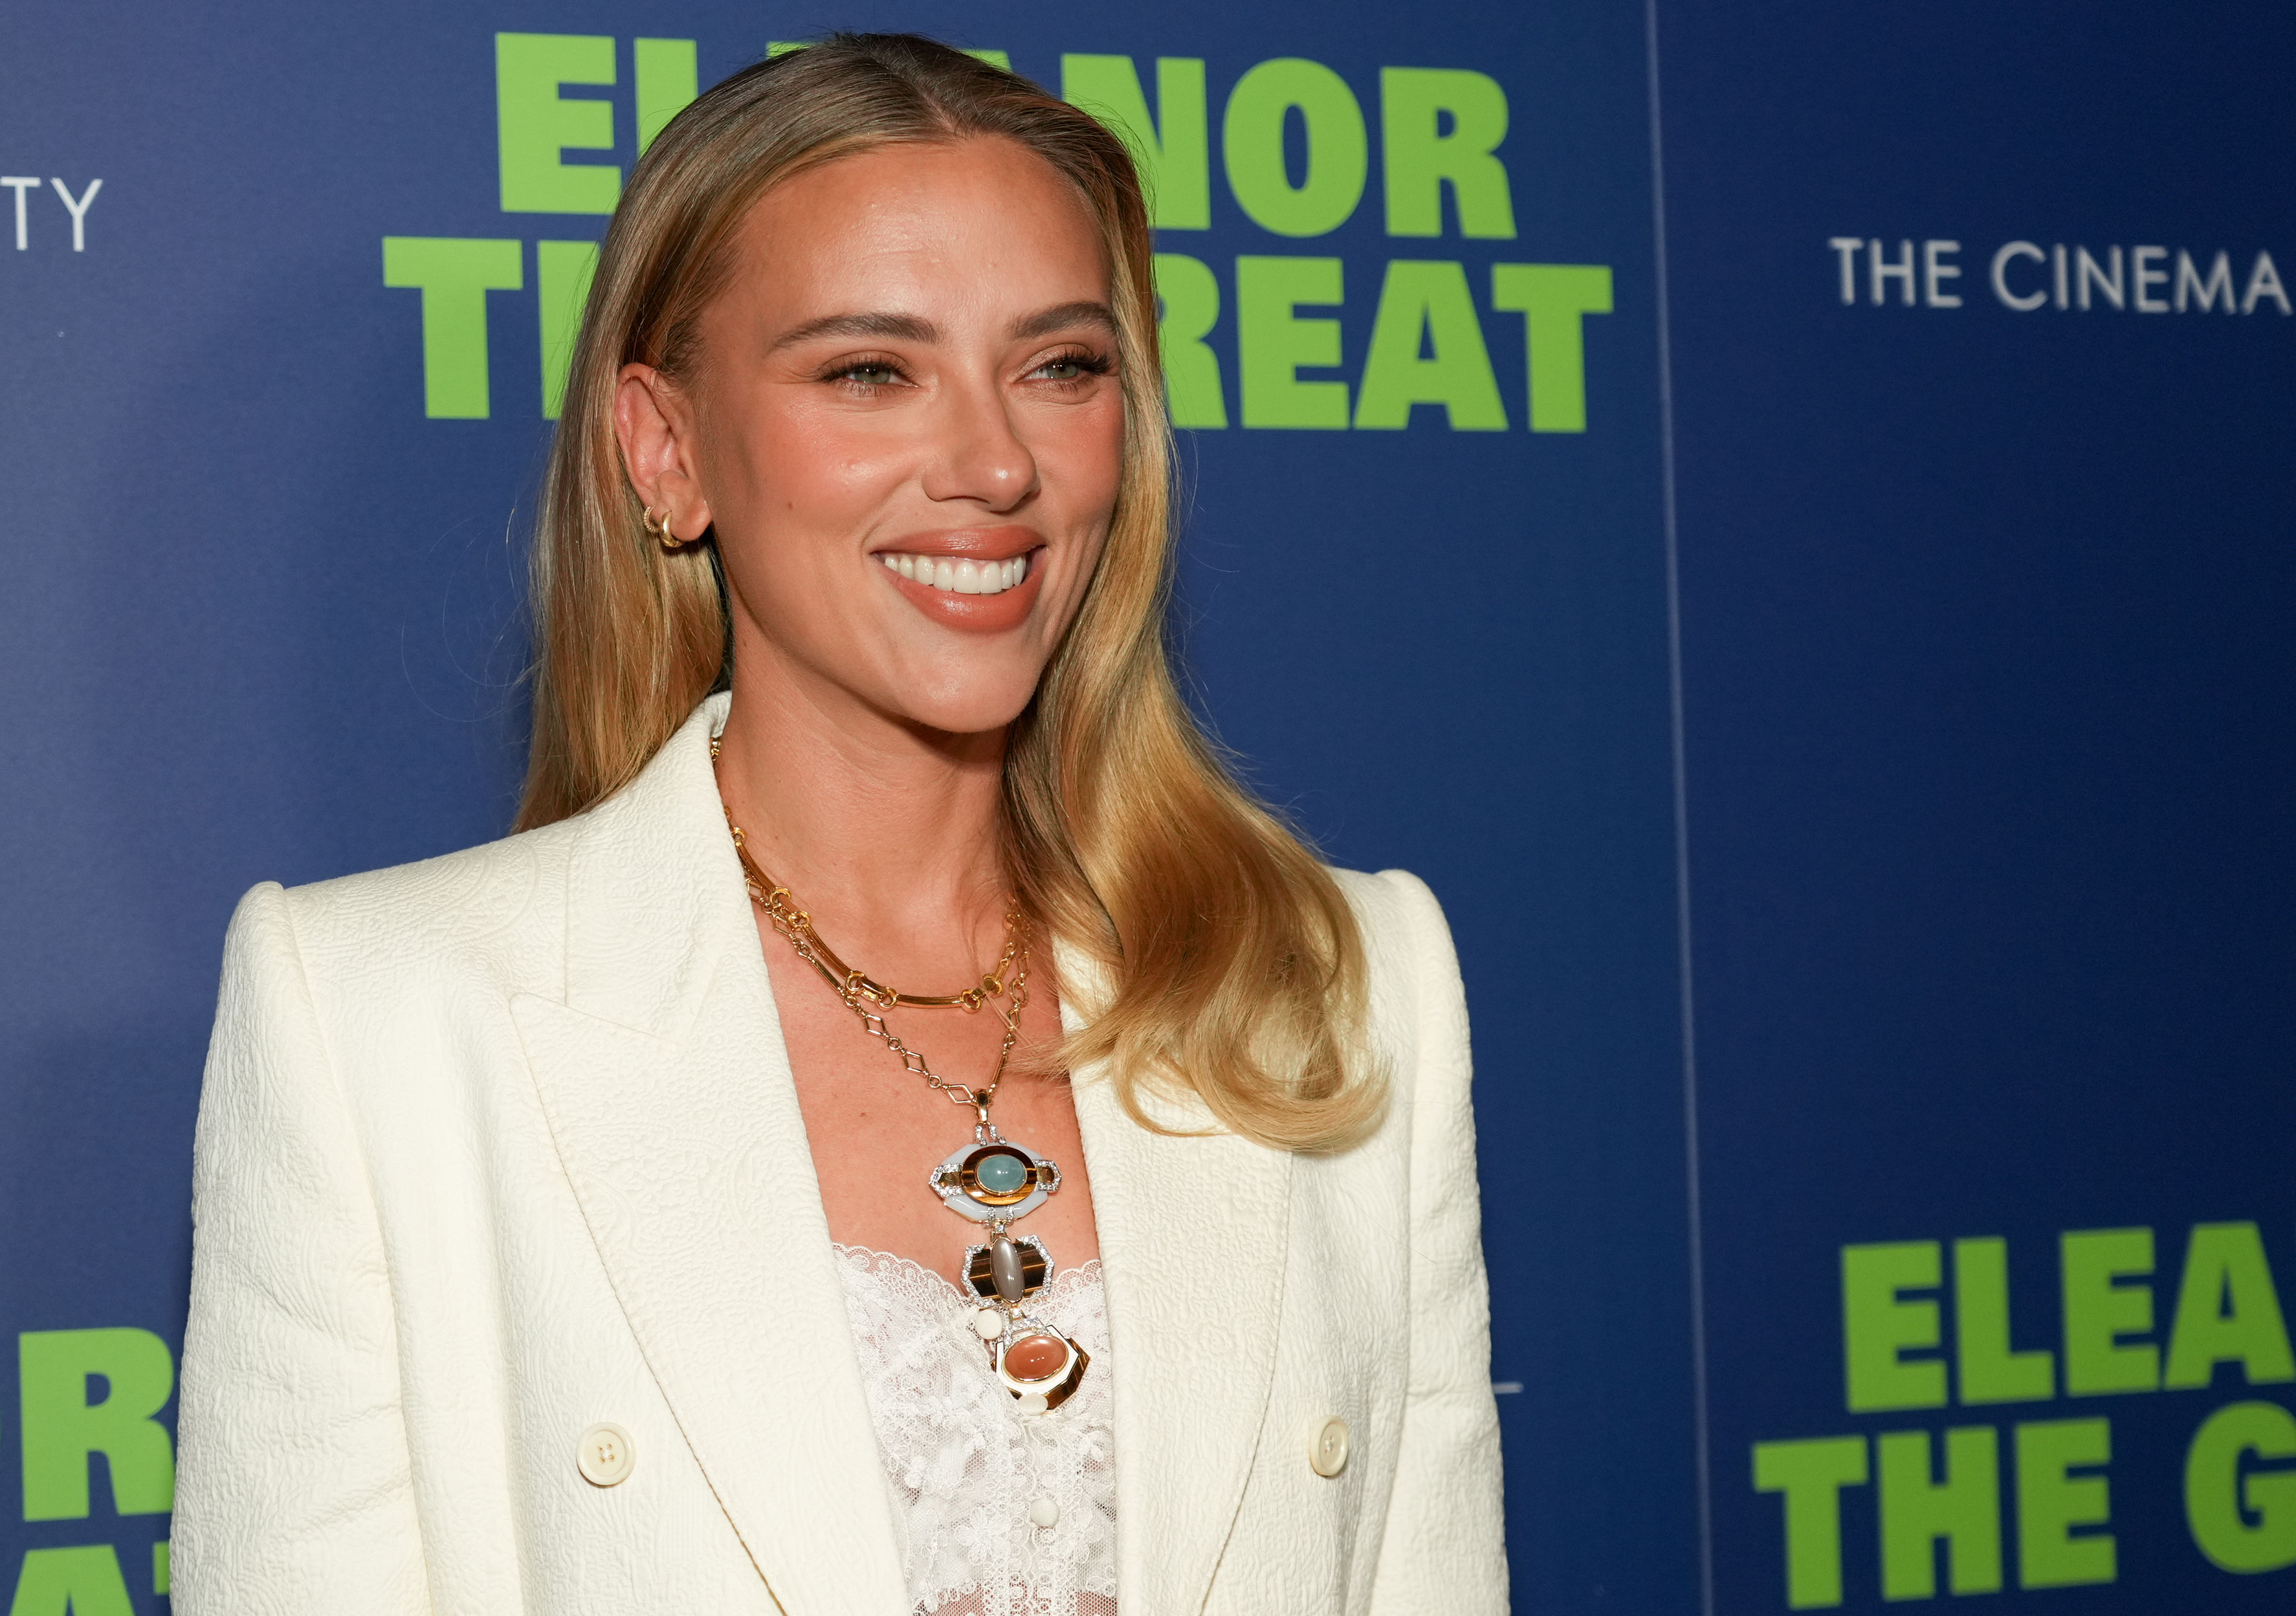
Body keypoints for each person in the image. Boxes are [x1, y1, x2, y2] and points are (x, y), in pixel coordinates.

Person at [173, 32, 1503, 1616]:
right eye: (870, 370)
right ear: (667, 450)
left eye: (1060, 365)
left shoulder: (1344, 976)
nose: (994, 460)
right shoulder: (376, 1016)